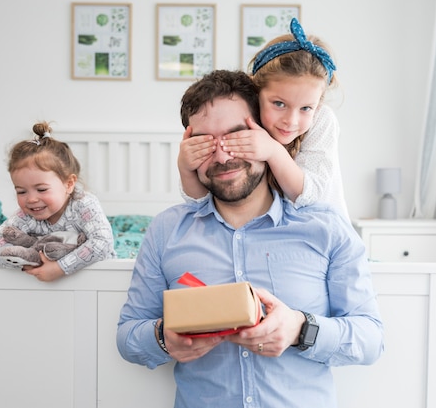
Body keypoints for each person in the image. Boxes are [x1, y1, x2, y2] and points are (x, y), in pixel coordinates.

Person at [117, 70, 383, 407]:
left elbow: (371, 339)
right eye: (204, 144)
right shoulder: (166, 231)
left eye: (237, 137)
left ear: (267, 136)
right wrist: (162, 337)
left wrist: (301, 329)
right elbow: (127, 336)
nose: (223, 157)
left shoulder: (327, 228)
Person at [178, 18, 349, 220]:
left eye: (305, 108)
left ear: (317, 105)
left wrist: (273, 151)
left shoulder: (321, 120)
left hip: (322, 228)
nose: (291, 120)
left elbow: (309, 196)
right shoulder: (248, 116)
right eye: (279, 104)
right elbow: (201, 203)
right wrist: (185, 168)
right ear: (257, 93)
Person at [0, 121, 116, 282]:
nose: (31, 199)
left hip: (99, 278)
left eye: (42, 189)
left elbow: (102, 242)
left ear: (69, 184)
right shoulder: (26, 215)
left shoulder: (83, 204)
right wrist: (28, 262)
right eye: (21, 191)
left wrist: (60, 268)